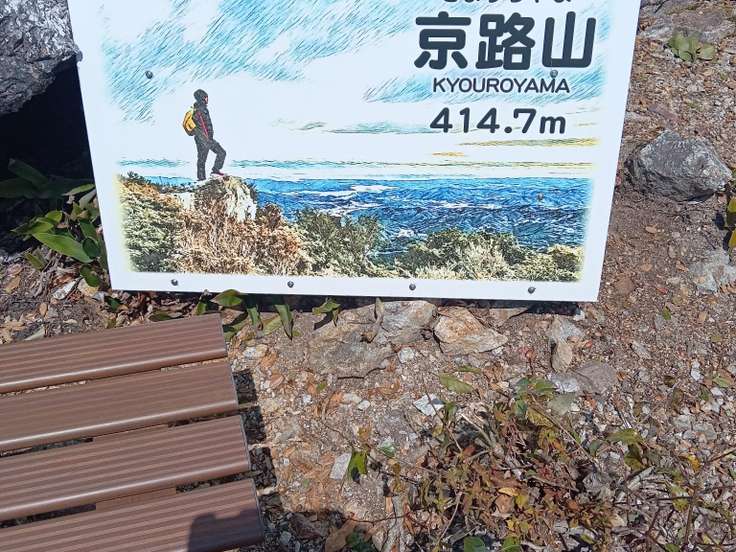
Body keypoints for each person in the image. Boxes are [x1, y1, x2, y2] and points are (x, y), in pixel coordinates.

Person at [191, 89, 227, 181]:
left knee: (219, 153)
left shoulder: (201, 109)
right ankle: (204, 177)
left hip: (206, 138)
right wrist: (205, 137)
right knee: (203, 159)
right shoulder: (199, 110)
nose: (207, 99)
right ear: (203, 98)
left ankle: (211, 173)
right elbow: (202, 125)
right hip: (203, 138)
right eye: (206, 97)